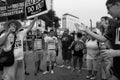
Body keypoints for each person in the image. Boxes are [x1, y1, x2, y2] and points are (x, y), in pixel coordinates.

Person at [75, 0, 120, 79]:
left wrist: (116, 52)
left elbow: (114, 49)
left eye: (108, 8)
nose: (108, 12)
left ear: (117, 4)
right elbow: (103, 39)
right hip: (116, 66)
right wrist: (87, 31)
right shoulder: (117, 24)